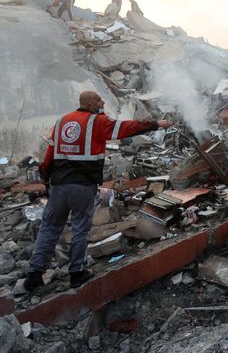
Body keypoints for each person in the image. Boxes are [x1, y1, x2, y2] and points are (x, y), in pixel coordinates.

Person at [24, 91, 171, 290]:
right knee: (80, 227)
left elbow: (49, 155)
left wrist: (45, 180)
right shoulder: (97, 121)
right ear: (92, 104)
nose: (103, 103)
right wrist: (155, 124)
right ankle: (77, 273)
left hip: (59, 185)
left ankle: (34, 275)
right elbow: (125, 128)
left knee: (49, 227)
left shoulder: (61, 122)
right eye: (100, 100)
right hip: (82, 185)